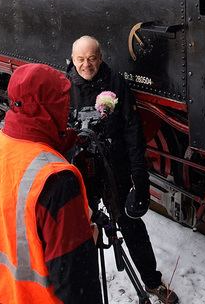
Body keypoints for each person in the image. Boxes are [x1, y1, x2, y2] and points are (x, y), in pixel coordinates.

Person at [0, 63, 101, 304]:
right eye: (62, 102)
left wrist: (68, 138)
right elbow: (76, 283)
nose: (67, 107)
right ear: (50, 108)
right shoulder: (55, 179)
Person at [68, 35, 179, 304]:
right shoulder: (64, 86)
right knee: (80, 230)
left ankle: (152, 281)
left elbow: (133, 132)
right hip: (80, 170)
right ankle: (81, 291)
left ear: (100, 57)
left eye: (92, 59)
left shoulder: (115, 82)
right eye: (81, 60)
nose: (86, 65)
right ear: (72, 60)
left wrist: (139, 178)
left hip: (112, 168)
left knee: (131, 226)